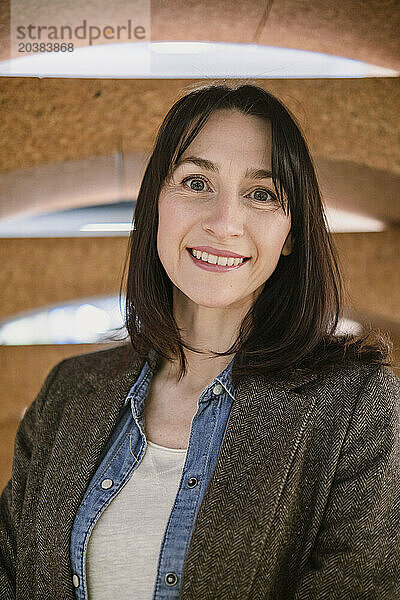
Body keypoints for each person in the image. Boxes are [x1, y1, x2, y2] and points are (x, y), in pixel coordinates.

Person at [1, 82, 399, 600]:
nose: (224, 223)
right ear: (156, 206)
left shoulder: (357, 409)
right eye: (196, 182)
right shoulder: (69, 392)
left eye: (261, 194)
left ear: (291, 234)